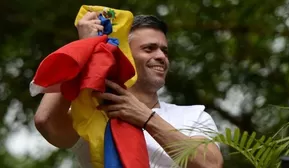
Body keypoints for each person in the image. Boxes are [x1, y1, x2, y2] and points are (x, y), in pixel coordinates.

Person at [34, 11, 223, 168]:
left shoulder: (194, 115)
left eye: (164, 51)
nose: (161, 57)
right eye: (149, 49)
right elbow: (46, 122)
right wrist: (84, 49)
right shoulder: (94, 113)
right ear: (124, 55)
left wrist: (146, 118)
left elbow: (211, 165)